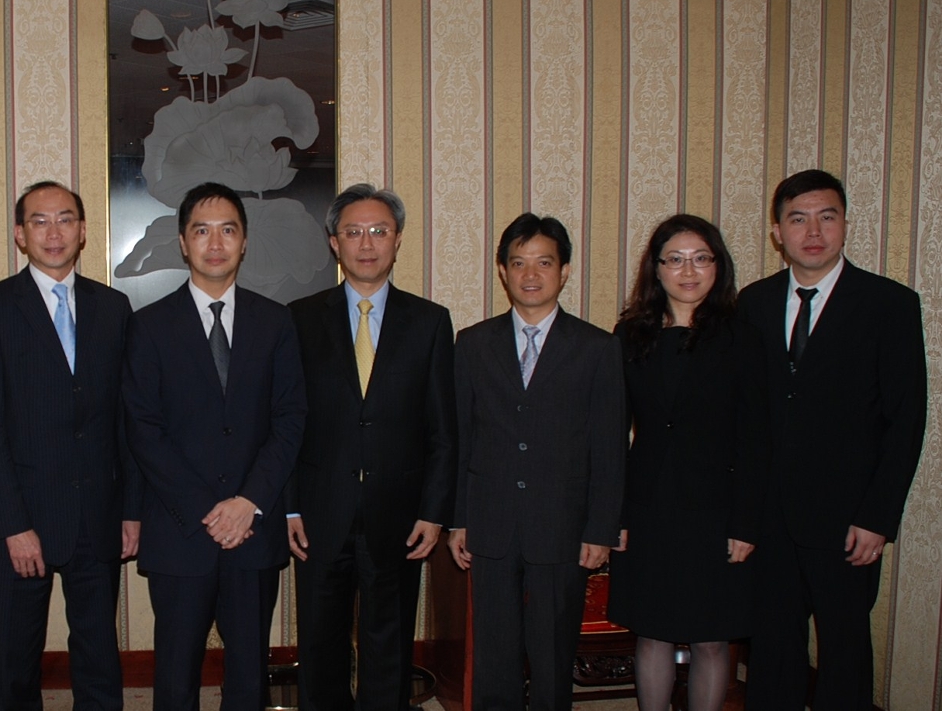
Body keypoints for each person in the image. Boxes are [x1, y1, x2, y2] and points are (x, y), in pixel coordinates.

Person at [739, 169, 927, 709]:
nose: (814, 231)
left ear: (845, 224)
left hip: (849, 522)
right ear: (778, 232)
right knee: (772, 652)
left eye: (827, 217)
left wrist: (878, 517)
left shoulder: (889, 304)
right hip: (769, 521)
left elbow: (906, 420)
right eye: (798, 219)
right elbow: (745, 415)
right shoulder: (753, 303)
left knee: (844, 655)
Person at [121, 182, 306, 711]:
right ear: (183, 242)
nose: (216, 243)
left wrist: (248, 502)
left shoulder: (276, 322)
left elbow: (290, 419)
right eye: (202, 231)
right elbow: (143, 429)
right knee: (175, 677)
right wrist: (208, 510)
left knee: (248, 677)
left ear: (244, 241)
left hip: (254, 530)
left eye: (228, 230)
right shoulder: (148, 326)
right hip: (180, 530)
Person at [0, 181, 140, 710]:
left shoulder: (114, 308)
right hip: (22, 518)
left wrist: (131, 510)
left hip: (98, 514)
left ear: (83, 231)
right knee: (16, 661)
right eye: (39, 221)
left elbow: (126, 420)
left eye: (65, 219)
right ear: (20, 234)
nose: (53, 232)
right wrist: (11, 525)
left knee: (99, 655)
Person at [286, 183, 456, 711]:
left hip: (399, 514)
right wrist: (289, 506)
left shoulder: (429, 321)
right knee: (320, 645)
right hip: (319, 512)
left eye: (379, 231)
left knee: (390, 643)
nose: (366, 243)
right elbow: (286, 423)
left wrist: (434, 512)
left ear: (397, 240)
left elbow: (442, 430)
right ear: (333, 242)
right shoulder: (299, 318)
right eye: (353, 231)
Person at [447, 213, 625, 711]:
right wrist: (458, 519)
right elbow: (461, 438)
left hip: (563, 526)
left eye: (543, 263)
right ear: (503, 271)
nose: (530, 274)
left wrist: (601, 529)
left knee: (552, 653)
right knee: (493, 653)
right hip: (491, 523)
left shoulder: (597, 348)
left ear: (564, 271)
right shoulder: (473, 343)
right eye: (518, 262)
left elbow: (610, 448)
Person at [607, 215, 769, 711]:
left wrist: (746, 522)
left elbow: (756, 438)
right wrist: (615, 515)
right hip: (648, 507)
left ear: (718, 266)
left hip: (716, 510)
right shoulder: (630, 335)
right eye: (674, 259)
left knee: (711, 638)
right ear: (656, 269)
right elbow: (612, 434)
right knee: (652, 632)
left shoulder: (743, 338)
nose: (688, 271)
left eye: (701, 258)